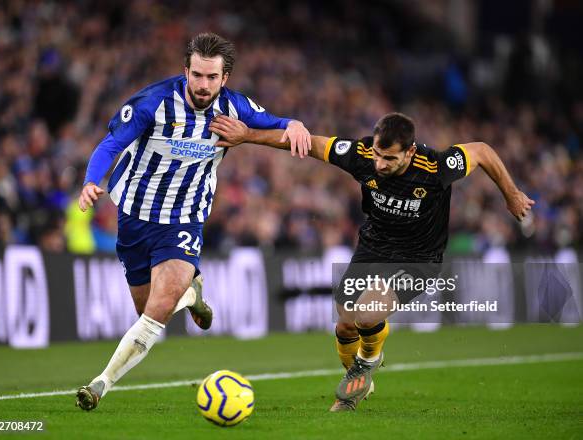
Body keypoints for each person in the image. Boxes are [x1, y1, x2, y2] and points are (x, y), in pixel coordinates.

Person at [208, 112, 534, 411]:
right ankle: (362, 371)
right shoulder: (362, 155)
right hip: (373, 249)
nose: (379, 164)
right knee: (345, 324)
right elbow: (306, 144)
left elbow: (481, 151)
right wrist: (248, 134)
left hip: (419, 259)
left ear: (410, 152)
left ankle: (366, 365)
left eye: (389, 158)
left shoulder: (436, 166)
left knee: (367, 313)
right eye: (377, 154)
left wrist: (511, 194)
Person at [75, 33, 311, 411]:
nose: (203, 85)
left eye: (211, 77)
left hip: (184, 218)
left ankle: (100, 384)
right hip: (134, 216)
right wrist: (91, 181)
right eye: (197, 75)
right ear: (186, 70)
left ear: (225, 77)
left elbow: (276, 122)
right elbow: (110, 145)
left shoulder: (235, 108)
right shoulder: (153, 102)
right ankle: (191, 293)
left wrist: (295, 123)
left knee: (155, 313)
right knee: (148, 310)